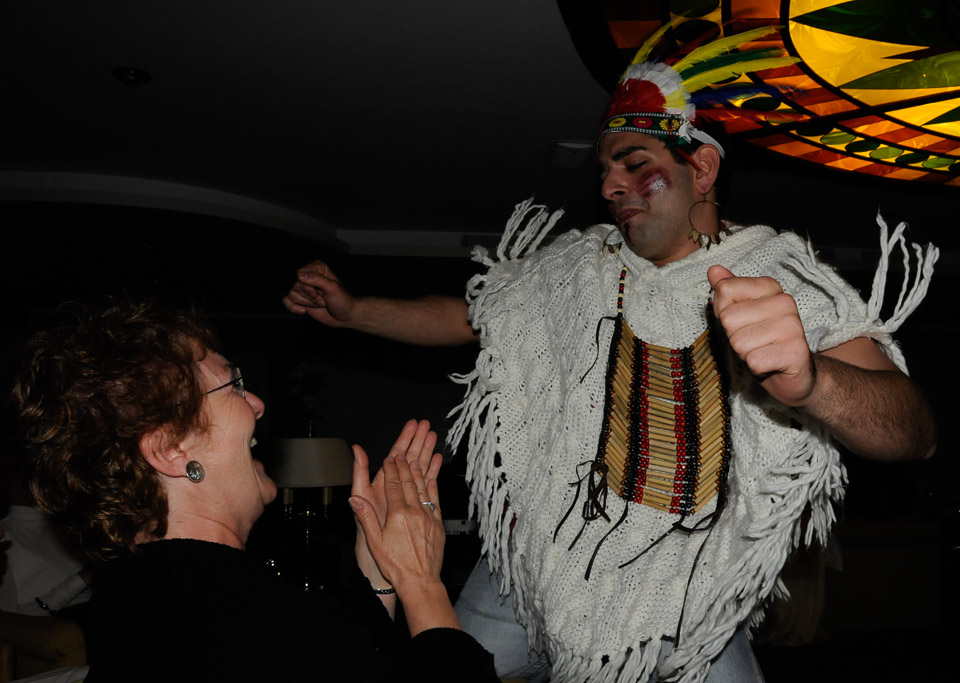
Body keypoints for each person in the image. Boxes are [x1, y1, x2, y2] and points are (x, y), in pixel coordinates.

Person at [283, 26, 937, 683]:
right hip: (530, 568)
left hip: (683, 600)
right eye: (604, 171)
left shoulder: (780, 273)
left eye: (633, 163)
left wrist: (812, 381)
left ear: (702, 168)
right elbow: (467, 316)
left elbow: (913, 431)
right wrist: (355, 310)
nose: (610, 186)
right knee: (442, 670)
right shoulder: (577, 265)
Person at [8, 299, 497, 682]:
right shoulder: (250, 617)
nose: (258, 404)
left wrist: (380, 573)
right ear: (171, 449)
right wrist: (423, 584)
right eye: (234, 386)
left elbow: (355, 660)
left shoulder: (132, 589)